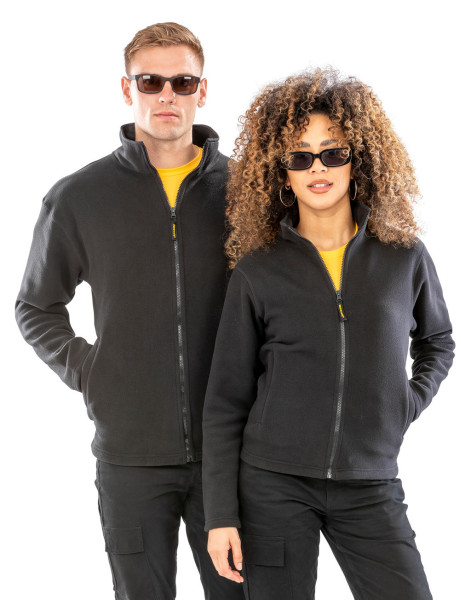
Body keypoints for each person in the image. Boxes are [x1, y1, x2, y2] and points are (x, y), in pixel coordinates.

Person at [202, 67, 455, 599]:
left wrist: (404, 402)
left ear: (356, 160)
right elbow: (225, 400)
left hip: (370, 481)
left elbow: (437, 341)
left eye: (333, 152)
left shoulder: (403, 256)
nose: (317, 167)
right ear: (283, 173)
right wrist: (220, 515)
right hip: (273, 483)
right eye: (300, 156)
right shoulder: (258, 270)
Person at [15, 21, 244, 600]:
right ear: (127, 89)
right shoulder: (80, 196)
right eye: (150, 81)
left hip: (234, 453)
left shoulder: (247, 190)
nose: (167, 94)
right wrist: (92, 371)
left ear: (202, 90)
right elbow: (36, 305)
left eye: (182, 82)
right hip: (130, 456)